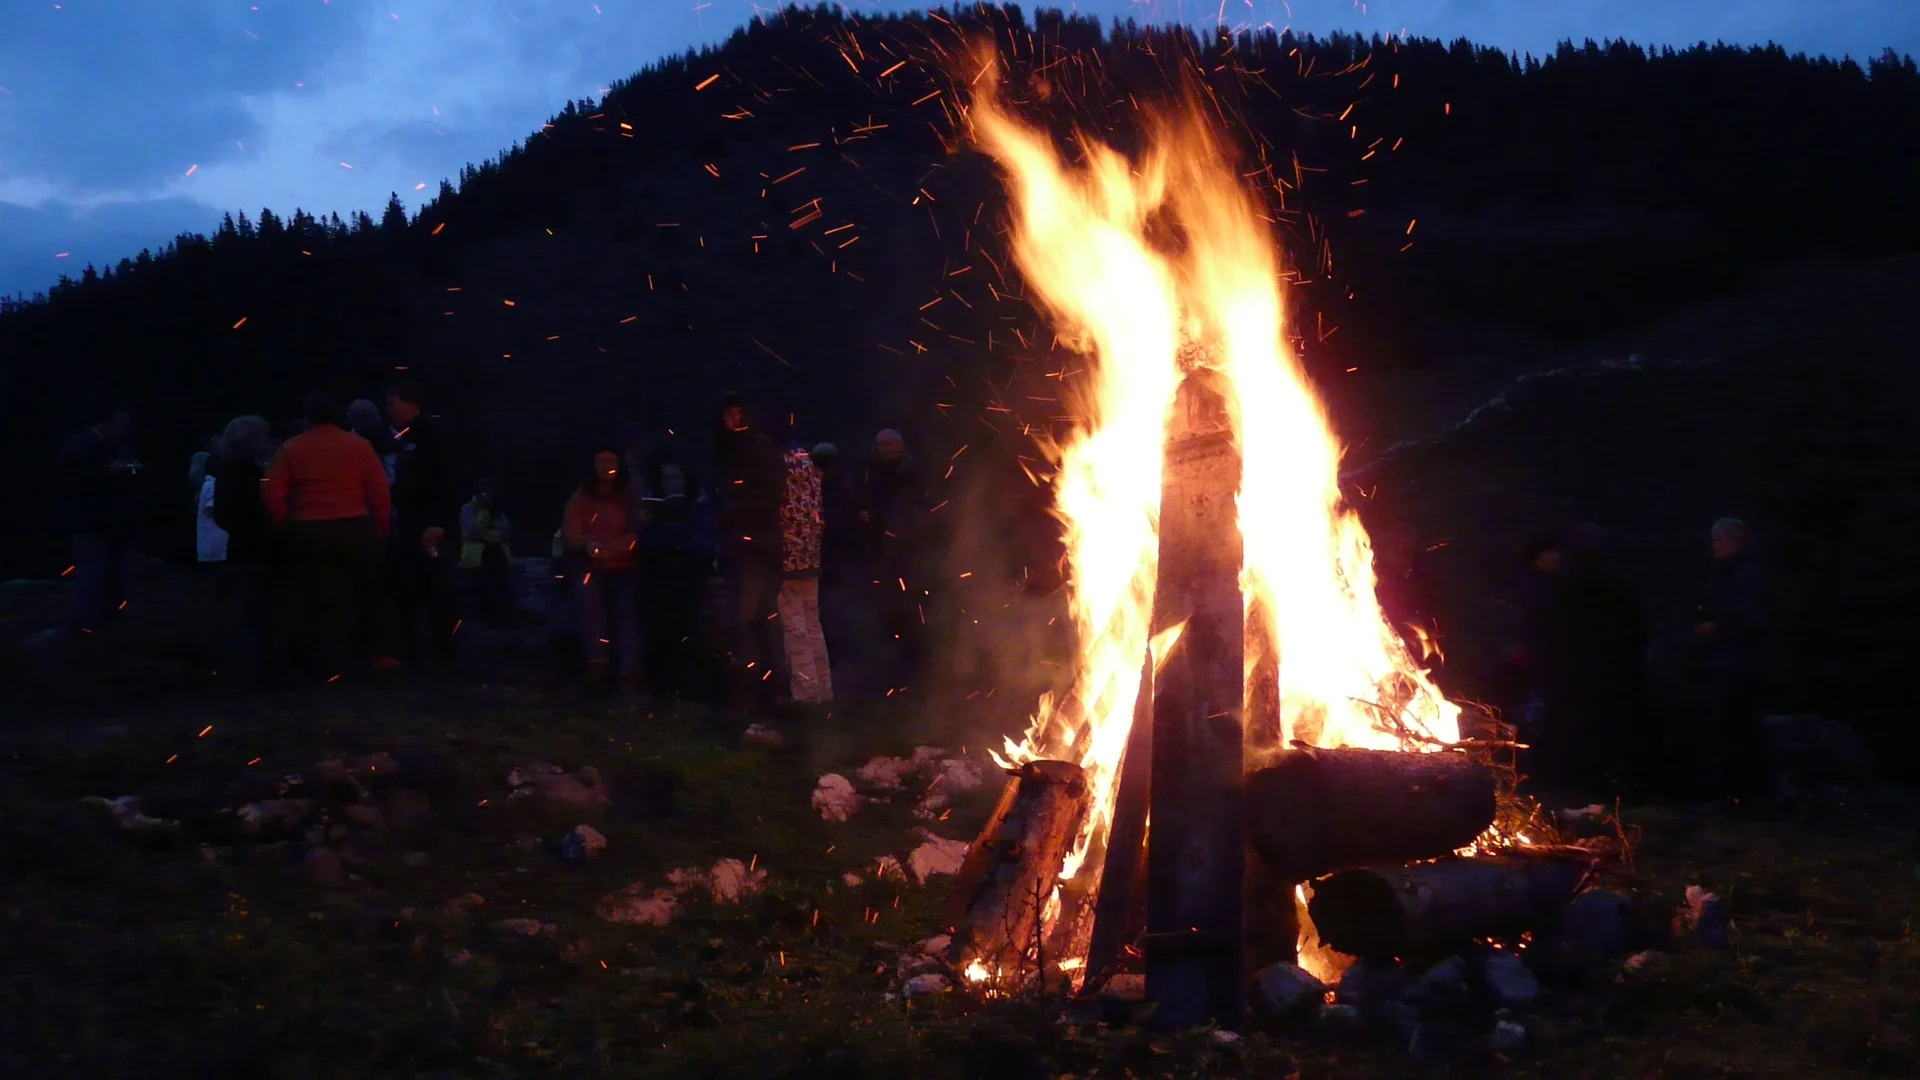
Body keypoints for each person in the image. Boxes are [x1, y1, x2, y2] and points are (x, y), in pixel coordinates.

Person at [262, 393, 396, 680]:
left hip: (309, 529)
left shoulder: (290, 448)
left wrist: (284, 523)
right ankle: (379, 655)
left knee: (319, 598)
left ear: (307, 418)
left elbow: (272, 492)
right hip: (355, 526)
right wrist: (379, 528)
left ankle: (325, 662)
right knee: (369, 592)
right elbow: (378, 490)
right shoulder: (359, 446)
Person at [712, 392, 786, 708]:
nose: (732, 419)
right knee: (753, 619)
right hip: (740, 547)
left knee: (751, 619)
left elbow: (770, 493)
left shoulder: (758, 447)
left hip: (756, 547)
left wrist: (735, 508)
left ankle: (757, 692)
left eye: (736, 413)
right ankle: (762, 691)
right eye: (728, 413)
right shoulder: (728, 449)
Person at [1692, 517, 1771, 808]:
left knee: (1732, 730)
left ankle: (1734, 797)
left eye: (1719, 541)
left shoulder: (1745, 575)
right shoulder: (1730, 574)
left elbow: (1749, 620)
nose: (1714, 547)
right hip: (1729, 663)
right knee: (1730, 729)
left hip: (1737, 666)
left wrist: (1715, 629)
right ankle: (1734, 795)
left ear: (1735, 542)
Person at [384, 382, 463, 669]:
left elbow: (449, 482)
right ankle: (413, 652)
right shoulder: (404, 439)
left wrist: (440, 523)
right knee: (410, 589)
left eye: (394, 402)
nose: (389, 409)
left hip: (431, 526)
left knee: (439, 590)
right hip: (409, 524)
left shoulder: (433, 438)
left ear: (412, 404)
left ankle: (446, 653)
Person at [210, 415, 290, 690]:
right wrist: (267, 527)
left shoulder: (232, 467)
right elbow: (237, 511)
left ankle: (252, 672)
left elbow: (224, 514)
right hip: (256, 549)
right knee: (259, 611)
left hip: (246, 548)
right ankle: (259, 675)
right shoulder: (242, 471)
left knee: (254, 611)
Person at [562, 449, 644, 693]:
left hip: (626, 566)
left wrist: (613, 550)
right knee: (590, 609)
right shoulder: (582, 495)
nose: (604, 466)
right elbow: (570, 532)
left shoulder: (631, 494)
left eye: (609, 460)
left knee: (627, 614)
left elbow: (639, 532)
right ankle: (597, 665)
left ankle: (629, 672)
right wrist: (588, 544)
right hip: (591, 566)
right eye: (599, 460)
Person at [59, 407, 141, 640]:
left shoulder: (118, 446)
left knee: (116, 574)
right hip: (90, 523)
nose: (126, 428)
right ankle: (79, 625)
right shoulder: (79, 445)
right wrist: (108, 472)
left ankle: (110, 623)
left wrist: (130, 471)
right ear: (109, 422)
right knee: (90, 575)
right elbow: (69, 478)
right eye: (122, 423)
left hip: (115, 523)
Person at [640, 458, 717, 697]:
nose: (673, 483)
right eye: (668, 478)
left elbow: (705, 544)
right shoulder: (651, 509)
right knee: (662, 629)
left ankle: (691, 686)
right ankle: (663, 685)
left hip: (691, 579)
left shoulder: (700, 507)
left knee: (690, 629)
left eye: (677, 477)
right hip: (659, 581)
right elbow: (645, 544)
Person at [865, 427, 931, 686]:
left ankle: (918, 668)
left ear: (900, 447)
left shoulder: (909, 474)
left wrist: (901, 538)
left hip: (907, 555)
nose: (884, 450)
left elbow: (916, 514)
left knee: (910, 611)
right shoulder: (878, 473)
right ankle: (903, 667)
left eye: (888, 445)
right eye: (880, 445)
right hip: (885, 555)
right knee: (889, 612)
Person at [778, 443, 833, 704]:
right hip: (811, 557)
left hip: (787, 561)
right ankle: (824, 690)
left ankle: (806, 695)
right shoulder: (811, 470)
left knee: (795, 629)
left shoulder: (778, 470)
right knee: (813, 625)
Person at [458, 479, 514, 626]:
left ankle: (503, 617)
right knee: (482, 585)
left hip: (497, 552)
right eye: (483, 492)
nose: (486, 495)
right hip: (476, 555)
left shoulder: (497, 510)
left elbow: (504, 532)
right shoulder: (468, 509)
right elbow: (472, 530)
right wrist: (484, 513)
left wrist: (489, 529)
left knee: (502, 581)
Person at [194, 450, 228, 568]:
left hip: (211, 541)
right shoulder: (212, 485)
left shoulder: (208, 484)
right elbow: (210, 509)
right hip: (213, 543)